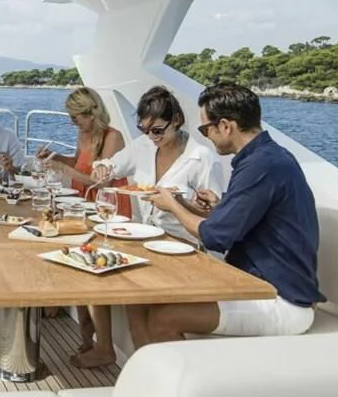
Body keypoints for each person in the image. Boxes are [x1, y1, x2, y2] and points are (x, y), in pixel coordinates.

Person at [134, 82, 324, 344]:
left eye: (205, 128)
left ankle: (186, 385)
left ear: (225, 126)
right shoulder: (266, 157)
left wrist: (171, 203)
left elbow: (215, 236)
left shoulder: (261, 165)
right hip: (257, 284)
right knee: (143, 298)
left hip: (282, 299)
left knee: (163, 318)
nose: (206, 135)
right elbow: (246, 217)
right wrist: (219, 204)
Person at [36, 87, 128, 363]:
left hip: (105, 213)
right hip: (82, 208)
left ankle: (105, 347)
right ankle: (88, 341)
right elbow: (80, 164)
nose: (72, 122)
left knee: (92, 276)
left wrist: (65, 170)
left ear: (92, 113)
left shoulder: (114, 138)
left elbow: (101, 182)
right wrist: (56, 158)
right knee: (78, 267)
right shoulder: (83, 135)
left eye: (76, 117)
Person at [90, 85, 224, 243]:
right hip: (143, 237)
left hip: (183, 244)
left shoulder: (201, 158)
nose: (151, 136)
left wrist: (176, 202)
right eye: (145, 130)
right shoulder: (142, 146)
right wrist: (101, 169)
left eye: (157, 130)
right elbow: (109, 167)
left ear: (176, 120)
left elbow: (214, 218)